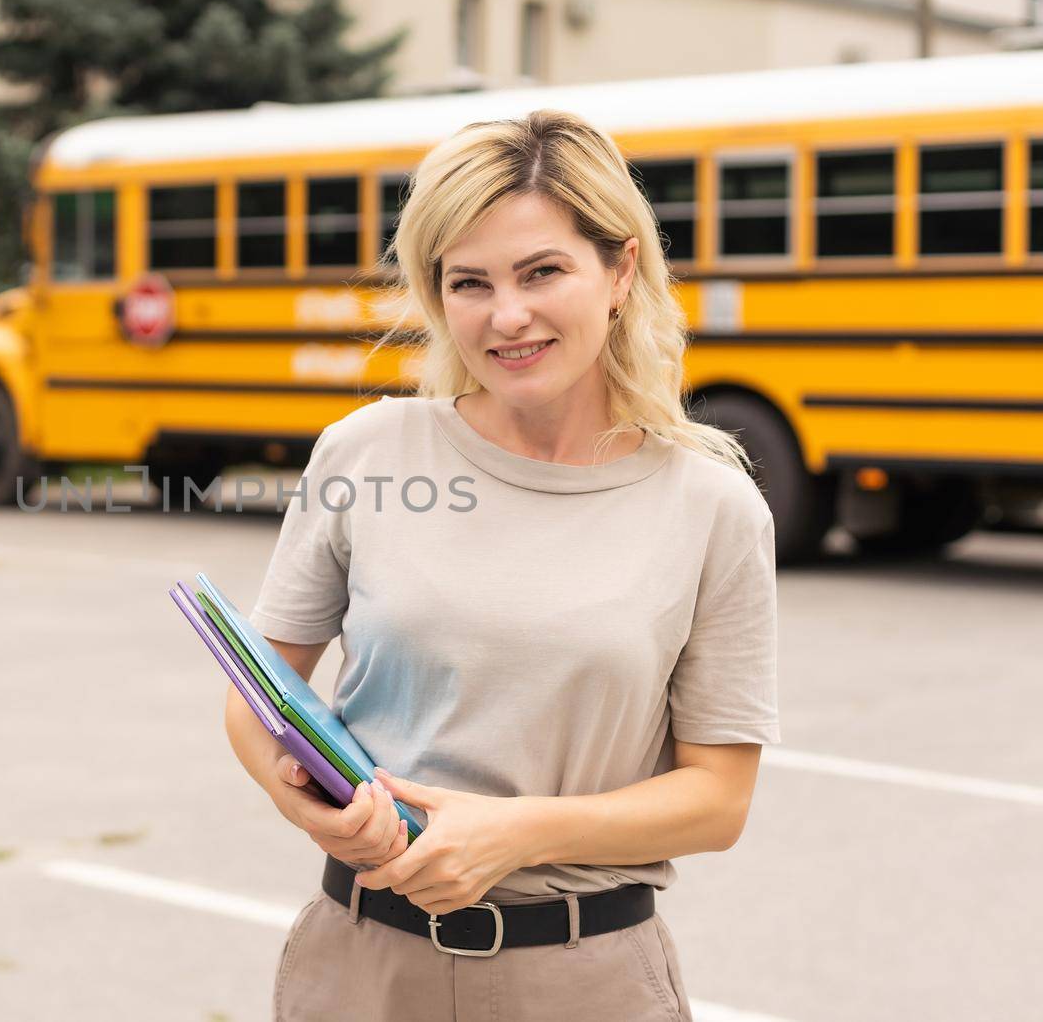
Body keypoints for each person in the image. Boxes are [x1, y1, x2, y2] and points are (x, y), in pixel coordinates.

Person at [228, 110, 777, 1022]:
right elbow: (259, 696)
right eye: (468, 282)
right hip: (362, 964)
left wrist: (519, 834)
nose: (506, 315)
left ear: (620, 270)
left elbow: (718, 800)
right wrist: (310, 807)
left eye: (542, 271)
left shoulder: (713, 507)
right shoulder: (366, 453)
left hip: (582, 978)